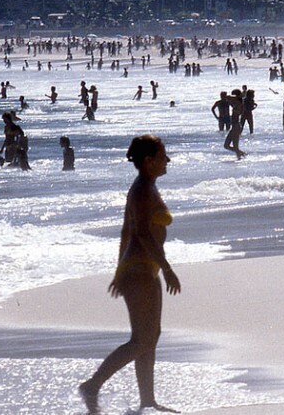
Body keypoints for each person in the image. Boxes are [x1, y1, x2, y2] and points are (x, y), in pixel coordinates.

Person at [79, 135, 181, 414]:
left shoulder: (146, 187)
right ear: (148, 161)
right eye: (162, 155)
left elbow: (126, 230)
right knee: (142, 340)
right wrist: (168, 269)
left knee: (150, 335)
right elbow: (141, 234)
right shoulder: (142, 191)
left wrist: (118, 270)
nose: (167, 160)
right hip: (140, 270)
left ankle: (147, 400)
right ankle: (92, 385)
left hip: (142, 268)